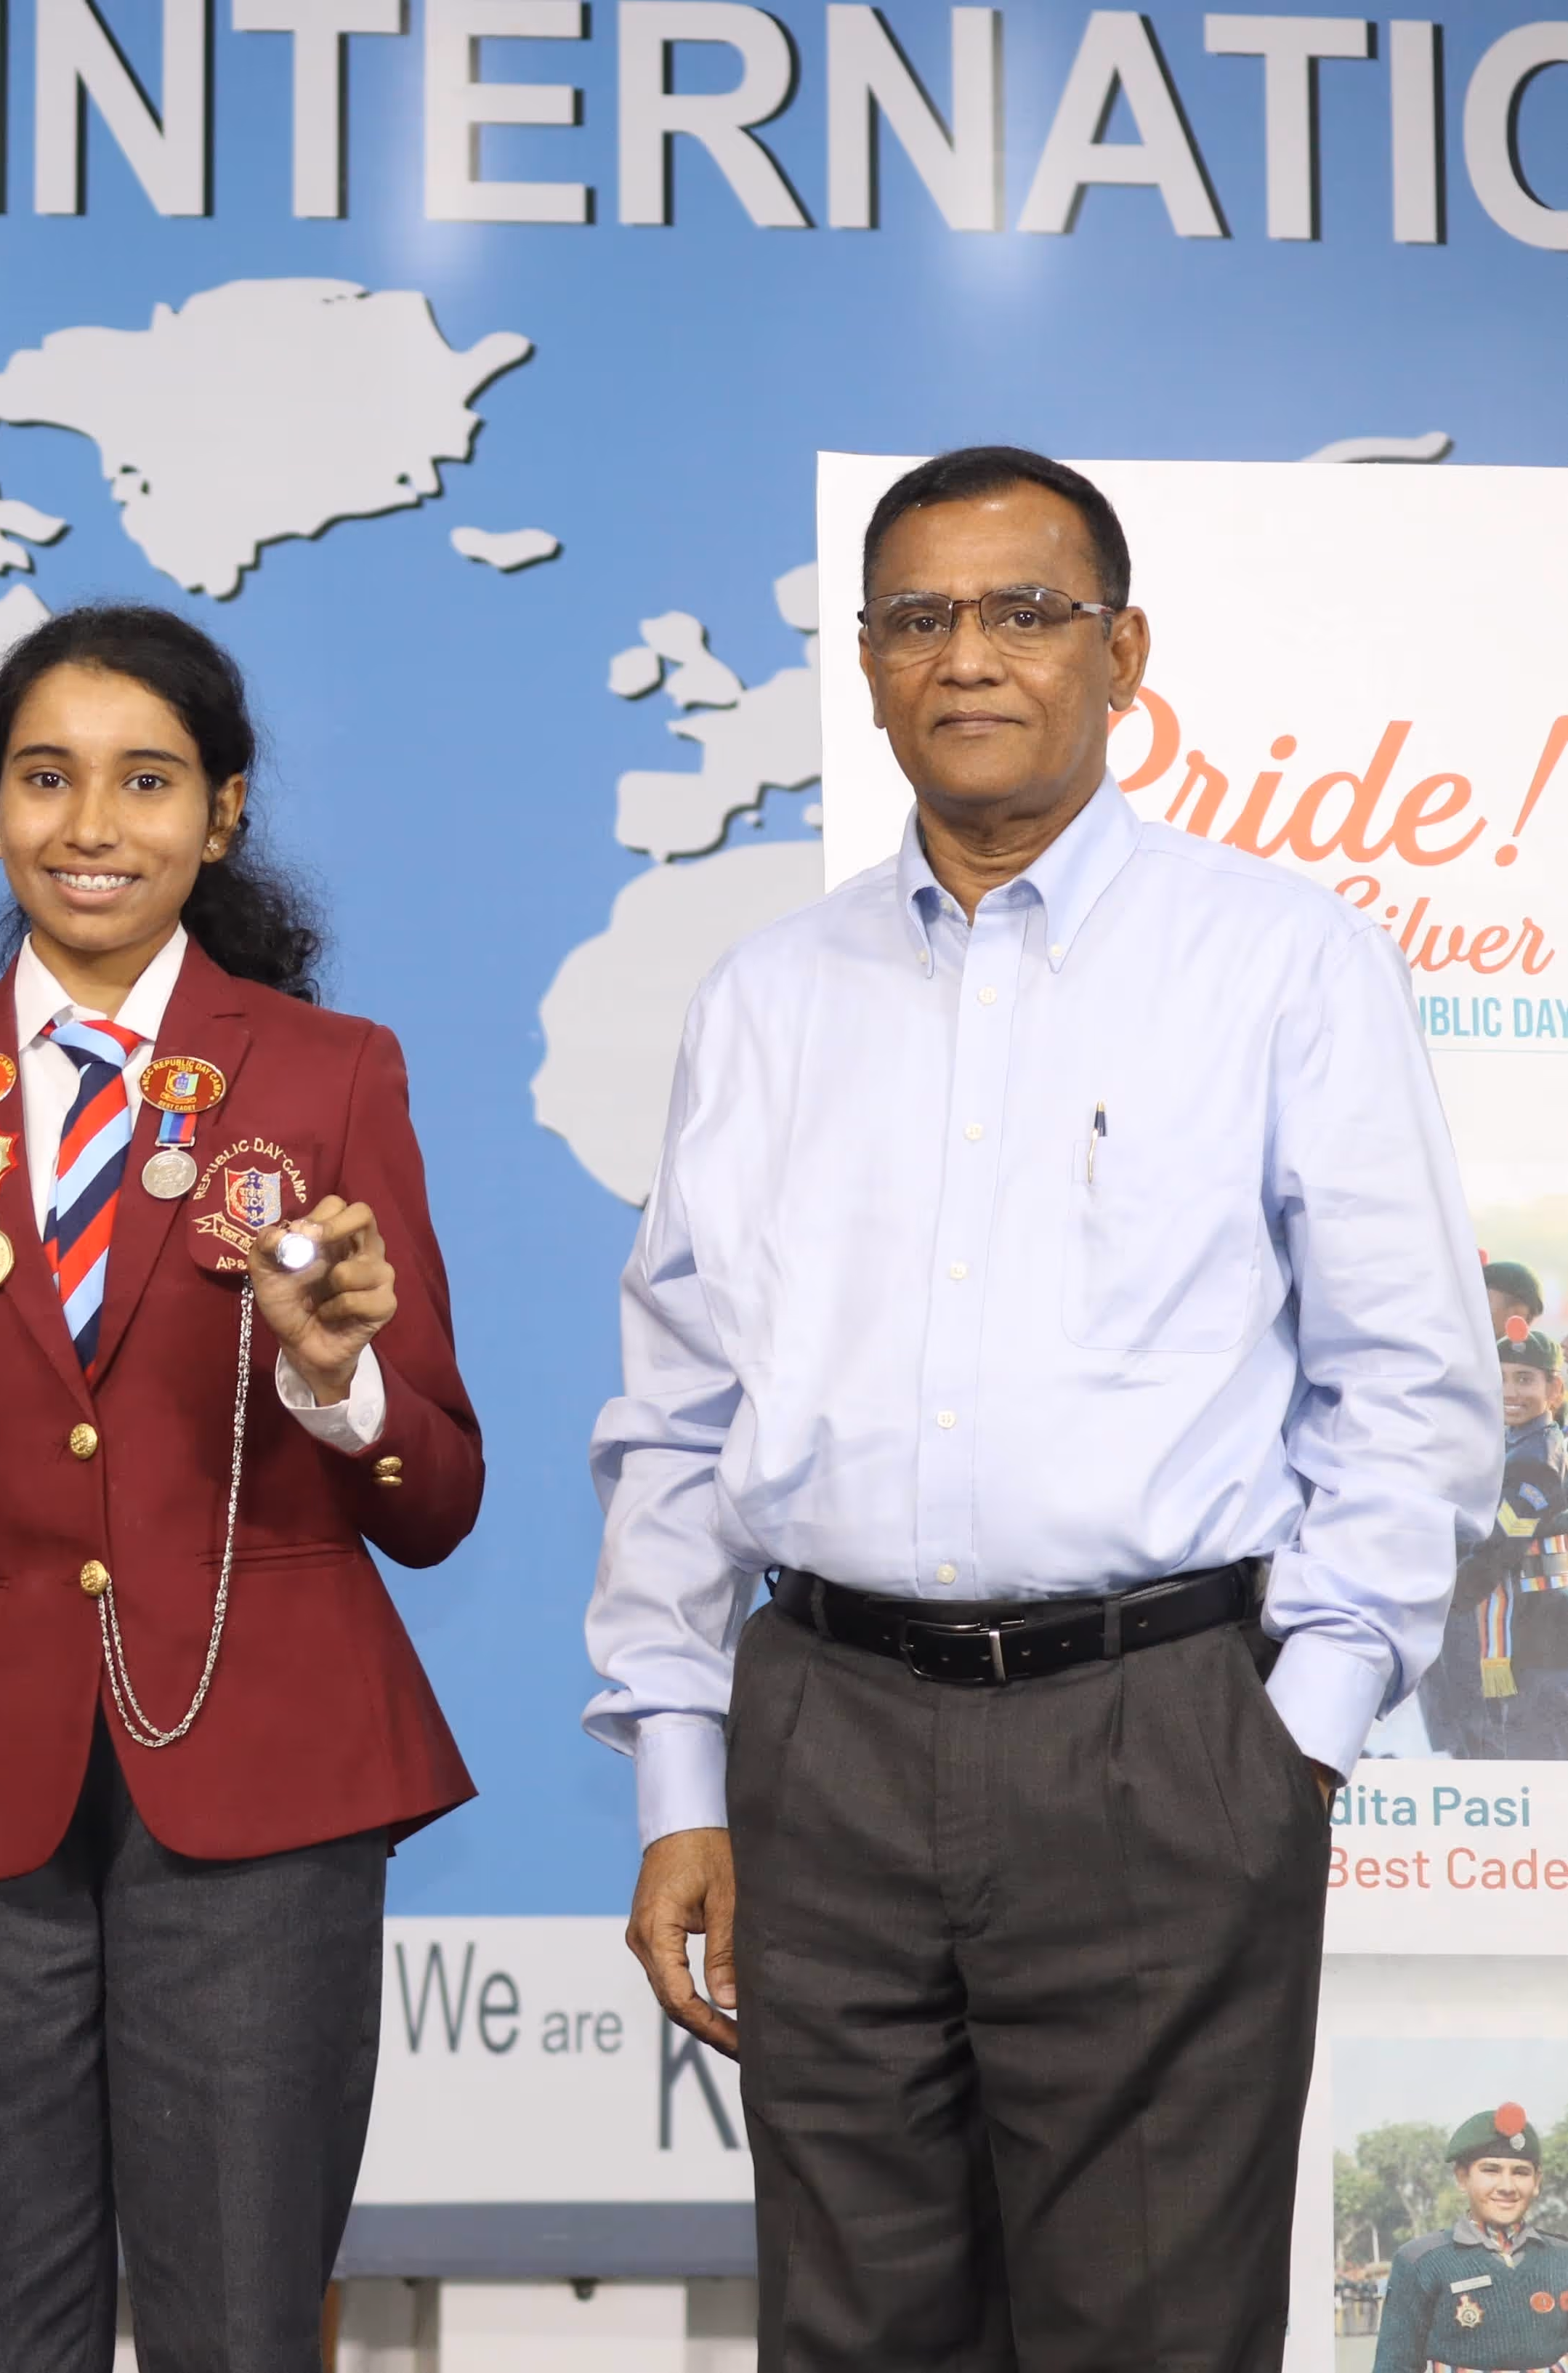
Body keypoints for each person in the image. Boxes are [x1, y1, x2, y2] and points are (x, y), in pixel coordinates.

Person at [586, 447, 1495, 2371]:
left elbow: (1408, 1376)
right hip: (820, 1738)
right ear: (867, 663)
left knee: (1146, 2332)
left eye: (1023, 612)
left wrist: (1293, 1742)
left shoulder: (1276, 961)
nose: (968, 657)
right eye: (919, 618)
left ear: (1123, 651)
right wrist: (682, 1773)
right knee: (852, 2331)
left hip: (1158, 1736)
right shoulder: (764, 997)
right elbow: (675, 1414)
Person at [0, 605, 484, 2369]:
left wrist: (327, 1375)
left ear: (224, 812)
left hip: (261, 1779)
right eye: (45, 777)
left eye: (145, 779)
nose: (90, 823)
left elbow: (432, 1490)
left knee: (243, 2323)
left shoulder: (332, 1075)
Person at [1421, 1331, 1568, 1757]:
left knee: (1530, 1758)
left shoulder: (1535, 1458)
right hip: (1523, 1626)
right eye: (1501, 1379)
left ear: (1554, 1390)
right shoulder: (1517, 1442)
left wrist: (1449, 1596)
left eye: (1525, 1379)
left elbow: (1500, 1546)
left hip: (1533, 1632)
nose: (1511, 1392)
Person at [1370, 2105, 1568, 2373]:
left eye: (1520, 2172)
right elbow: (1394, 2367)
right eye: (1491, 2170)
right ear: (1462, 2178)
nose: (1507, 2187)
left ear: (1537, 2181)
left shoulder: (1563, 2258)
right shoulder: (1420, 2261)